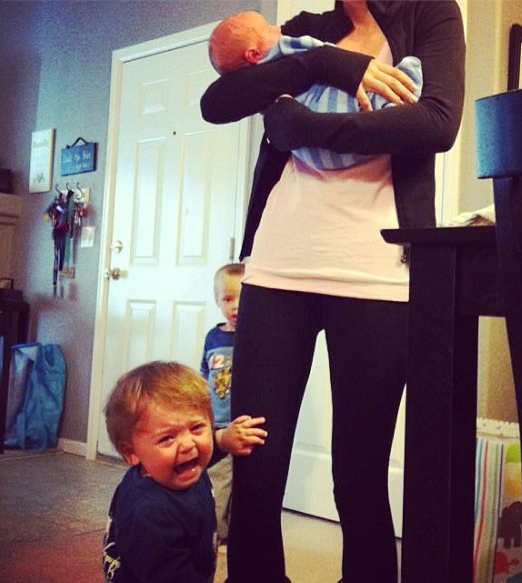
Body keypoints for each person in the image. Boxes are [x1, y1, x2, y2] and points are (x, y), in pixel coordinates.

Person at [201, 1, 465, 583]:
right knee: (257, 470)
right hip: (278, 267)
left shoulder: (431, 12)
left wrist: (303, 127)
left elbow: (436, 123)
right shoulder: (310, 32)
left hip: (377, 271)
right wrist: (331, 65)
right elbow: (216, 103)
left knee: (359, 477)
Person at [102, 360, 267, 583]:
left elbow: (207, 453)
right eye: (167, 438)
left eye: (197, 428)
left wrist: (223, 439)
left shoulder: (177, 466)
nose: (189, 445)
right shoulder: (149, 514)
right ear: (131, 452)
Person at [208, 10, 423, 170]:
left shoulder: (418, 20)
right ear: (253, 54)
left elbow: (431, 126)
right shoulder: (304, 28)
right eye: (269, 28)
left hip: (358, 194)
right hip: (292, 204)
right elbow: (212, 105)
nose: (277, 29)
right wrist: (324, 60)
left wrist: (306, 126)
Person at [200, 262, 245, 545]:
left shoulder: (254, 335)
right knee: (218, 477)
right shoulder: (213, 337)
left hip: (245, 421)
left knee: (245, 482)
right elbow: (204, 374)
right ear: (217, 300)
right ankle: (214, 532)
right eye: (228, 299)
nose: (235, 306)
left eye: (243, 298)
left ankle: (236, 530)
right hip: (218, 422)